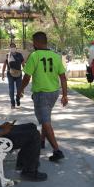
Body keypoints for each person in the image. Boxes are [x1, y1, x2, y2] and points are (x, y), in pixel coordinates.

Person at [17, 32, 68, 162]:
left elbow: (27, 77)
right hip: (54, 93)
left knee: (45, 122)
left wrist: (20, 90)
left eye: (33, 42)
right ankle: (41, 141)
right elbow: (62, 77)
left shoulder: (35, 56)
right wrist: (65, 95)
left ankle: (57, 151)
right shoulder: (56, 56)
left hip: (41, 94)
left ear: (38, 42)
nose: (33, 44)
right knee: (46, 118)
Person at [2, 43, 25, 109]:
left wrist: (26, 72)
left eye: (14, 47)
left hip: (18, 74)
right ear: (9, 48)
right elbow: (4, 65)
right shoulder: (8, 55)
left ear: (16, 48)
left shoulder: (19, 55)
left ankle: (18, 98)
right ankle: (12, 103)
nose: (13, 48)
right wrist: (2, 74)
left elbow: (23, 64)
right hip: (10, 74)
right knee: (11, 89)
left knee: (19, 89)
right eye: (11, 47)